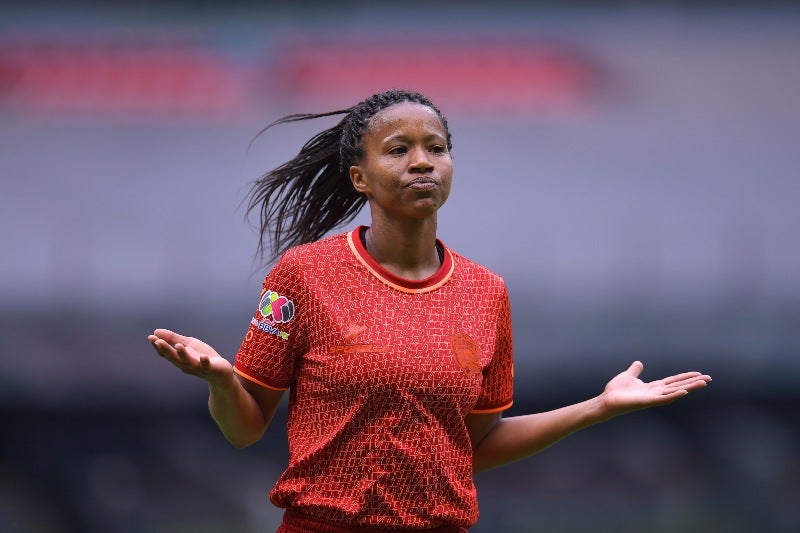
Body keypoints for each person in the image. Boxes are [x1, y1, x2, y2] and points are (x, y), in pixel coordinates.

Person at [148, 89, 711, 532]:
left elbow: (472, 449)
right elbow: (244, 431)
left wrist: (597, 408)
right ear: (359, 176)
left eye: (436, 148)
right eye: (399, 150)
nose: (423, 163)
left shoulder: (486, 293)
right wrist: (222, 382)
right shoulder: (303, 275)